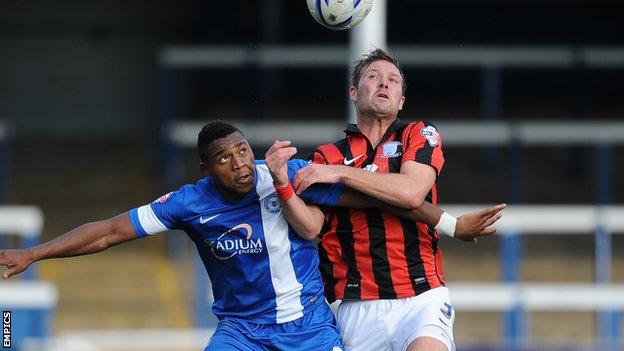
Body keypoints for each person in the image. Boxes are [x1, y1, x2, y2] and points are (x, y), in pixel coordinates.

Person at [0, 121, 501, 351]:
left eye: (242, 150)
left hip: (309, 330)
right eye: (225, 158)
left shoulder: (283, 174)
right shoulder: (188, 204)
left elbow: (382, 198)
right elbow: (108, 233)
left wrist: (451, 224)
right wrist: (33, 253)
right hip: (242, 334)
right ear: (206, 168)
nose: (240, 164)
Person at [290, 48, 502, 351]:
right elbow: (311, 228)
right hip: (355, 305)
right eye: (373, 77)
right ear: (353, 91)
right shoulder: (326, 156)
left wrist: (342, 174)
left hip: (420, 297)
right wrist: (284, 185)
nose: (383, 84)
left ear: (401, 100)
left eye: (393, 80)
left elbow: (410, 192)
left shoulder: (419, 134)